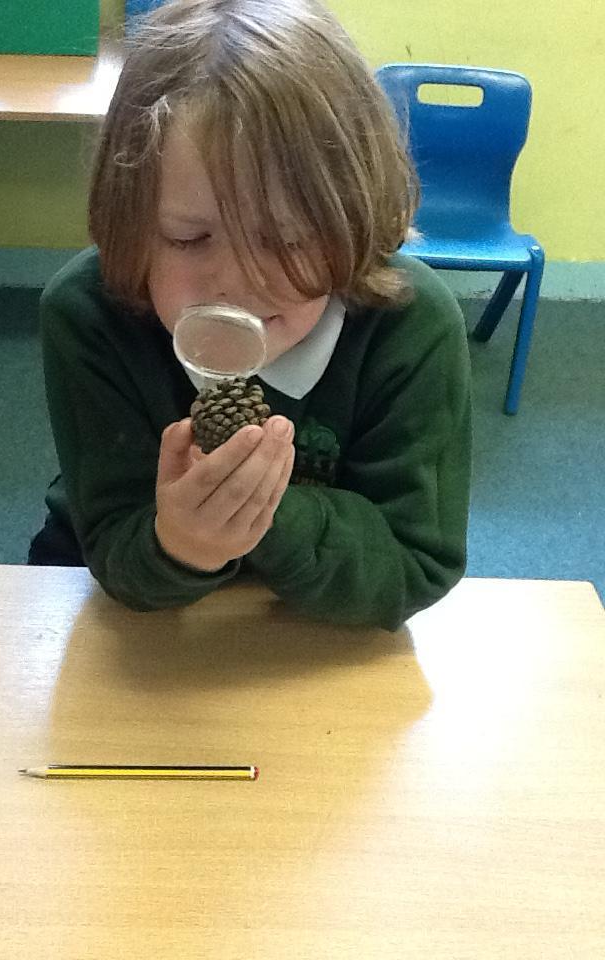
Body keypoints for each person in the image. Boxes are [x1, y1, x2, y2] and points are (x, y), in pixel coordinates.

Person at [28, 0, 472, 629]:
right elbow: (110, 546)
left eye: (286, 240)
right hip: (123, 609)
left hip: (313, 632)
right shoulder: (89, 314)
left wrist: (261, 513)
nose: (235, 284)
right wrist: (180, 544)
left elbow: (414, 565)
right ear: (130, 225)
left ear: (353, 221)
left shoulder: (411, 325)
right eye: (188, 238)